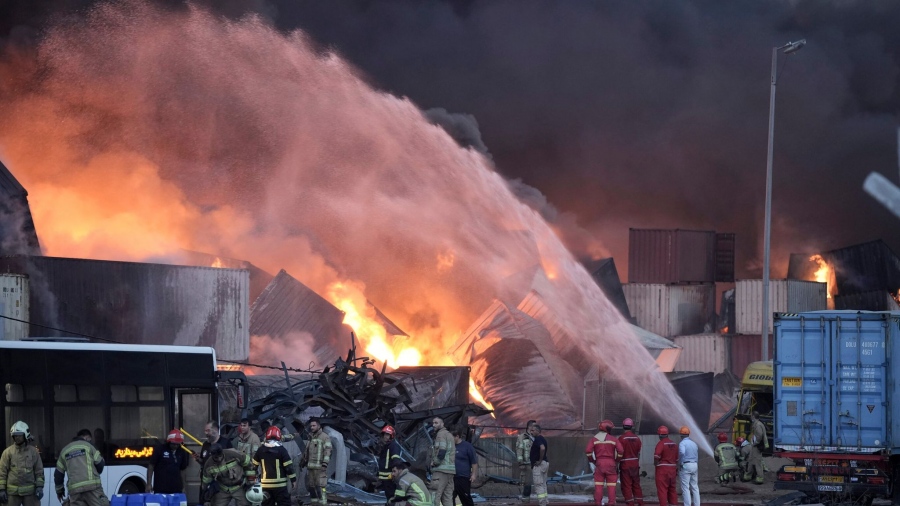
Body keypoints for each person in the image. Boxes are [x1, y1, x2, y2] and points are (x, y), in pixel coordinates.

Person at [54, 429, 108, 506]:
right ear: (86, 437)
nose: (90, 441)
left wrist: (59, 491)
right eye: (90, 440)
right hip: (92, 488)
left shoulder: (64, 451)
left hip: (75, 491)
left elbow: (58, 474)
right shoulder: (89, 446)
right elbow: (100, 465)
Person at [0, 421, 44, 506]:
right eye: (15, 436)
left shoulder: (33, 452)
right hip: (12, 494)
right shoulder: (7, 452)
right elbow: (2, 472)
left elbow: (39, 471)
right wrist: (2, 489)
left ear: (25, 435)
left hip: (30, 494)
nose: (17, 438)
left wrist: (39, 487)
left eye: (19, 435)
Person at [252, 426, 296, 506]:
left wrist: (254, 479)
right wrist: (293, 480)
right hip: (280, 486)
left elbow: (253, 466)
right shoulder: (282, 450)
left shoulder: (260, 450)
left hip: (265, 486)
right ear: (279, 435)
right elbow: (289, 467)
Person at [585, 420, 622, 506]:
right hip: (611, 464)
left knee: (598, 485)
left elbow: (588, 451)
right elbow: (621, 451)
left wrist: (592, 460)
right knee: (611, 486)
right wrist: (617, 461)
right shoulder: (613, 439)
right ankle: (611, 503)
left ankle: (598, 503)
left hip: (599, 464)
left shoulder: (594, 439)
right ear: (608, 429)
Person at [299, 418, 332, 506]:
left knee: (321, 487)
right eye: (311, 426)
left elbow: (328, 451)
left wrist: (324, 464)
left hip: (320, 468)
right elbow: (307, 452)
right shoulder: (310, 437)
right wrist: (303, 461)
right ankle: (314, 504)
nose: (312, 427)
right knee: (312, 488)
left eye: (314, 425)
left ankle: (323, 504)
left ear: (318, 426)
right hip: (311, 468)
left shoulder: (324, 437)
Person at [147, 429, 190, 494]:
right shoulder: (160, 449)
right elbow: (151, 466)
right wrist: (149, 484)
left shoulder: (182, 452)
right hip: (160, 489)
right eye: (173, 444)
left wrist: (184, 487)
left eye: (178, 444)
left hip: (176, 489)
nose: (176, 446)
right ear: (169, 442)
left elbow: (183, 470)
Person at [430, 417, 455, 506]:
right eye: (433, 423)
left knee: (434, 496)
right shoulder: (449, 435)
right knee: (447, 498)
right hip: (450, 472)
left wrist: (435, 462)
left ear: (442, 424)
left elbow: (442, 451)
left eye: (436, 423)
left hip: (440, 471)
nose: (433, 425)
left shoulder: (440, 435)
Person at [619, 418, 643, 506]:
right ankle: (640, 503)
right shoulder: (637, 438)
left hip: (625, 464)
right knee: (636, 484)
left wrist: (617, 464)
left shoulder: (621, 438)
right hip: (635, 464)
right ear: (632, 426)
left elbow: (619, 453)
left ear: (623, 426)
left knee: (626, 485)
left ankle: (630, 503)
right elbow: (638, 453)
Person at [451, 428, 477, 506]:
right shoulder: (450, 447)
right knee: (450, 497)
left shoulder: (467, 446)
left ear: (457, 436)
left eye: (451, 437)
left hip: (463, 477)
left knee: (465, 497)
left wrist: (473, 474)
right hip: (451, 477)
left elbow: (474, 462)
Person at [377, 426, 402, 505]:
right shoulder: (386, 446)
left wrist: (394, 473)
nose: (385, 436)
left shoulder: (393, 446)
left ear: (391, 436)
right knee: (388, 495)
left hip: (389, 477)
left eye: (387, 435)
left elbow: (396, 460)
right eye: (384, 434)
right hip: (385, 477)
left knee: (391, 495)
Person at [653, 426, 678, 506]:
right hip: (672, 470)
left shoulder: (661, 444)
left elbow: (656, 456)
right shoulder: (674, 444)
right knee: (672, 490)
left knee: (662, 490)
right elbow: (677, 459)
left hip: (662, 470)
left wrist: (655, 464)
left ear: (659, 435)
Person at [677, 426, 699, 506]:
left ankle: (687, 504)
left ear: (681, 434)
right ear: (689, 434)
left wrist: (680, 462)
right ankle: (697, 504)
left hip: (686, 465)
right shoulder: (694, 443)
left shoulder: (682, 443)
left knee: (685, 487)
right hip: (694, 464)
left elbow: (682, 452)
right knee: (695, 487)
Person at [514, 420, 536, 501]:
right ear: (530, 427)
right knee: (527, 481)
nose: (536, 428)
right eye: (534, 426)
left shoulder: (535, 437)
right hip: (527, 463)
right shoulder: (522, 437)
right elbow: (519, 450)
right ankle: (525, 498)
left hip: (535, 463)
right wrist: (521, 463)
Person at [529, 424, 549, 506]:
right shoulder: (543, 439)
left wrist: (539, 460)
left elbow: (542, 448)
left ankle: (542, 503)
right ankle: (545, 501)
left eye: (533, 430)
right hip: (545, 463)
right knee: (543, 484)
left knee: (538, 484)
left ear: (538, 431)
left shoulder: (537, 440)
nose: (531, 432)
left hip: (539, 466)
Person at [748, 411, 767, 485]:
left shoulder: (758, 425)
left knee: (757, 462)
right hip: (756, 446)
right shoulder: (758, 424)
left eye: (751, 416)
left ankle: (759, 478)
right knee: (751, 460)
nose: (750, 417)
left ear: (753, 416)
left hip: (757, 446)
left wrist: (755, 443)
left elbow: (759, 435)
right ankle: (749, 475)